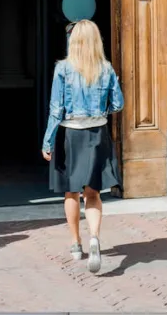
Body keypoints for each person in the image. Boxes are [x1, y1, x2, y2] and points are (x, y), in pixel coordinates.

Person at [42, 19, 124, 274]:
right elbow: (118, 104)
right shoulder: (106, 68)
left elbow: (56, 109)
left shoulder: (63, 69)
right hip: (98, 132)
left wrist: (47, 140)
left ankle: (76, 244)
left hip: (70, 133)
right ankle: (95, 238)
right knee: (94, 193)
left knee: (70, 192)